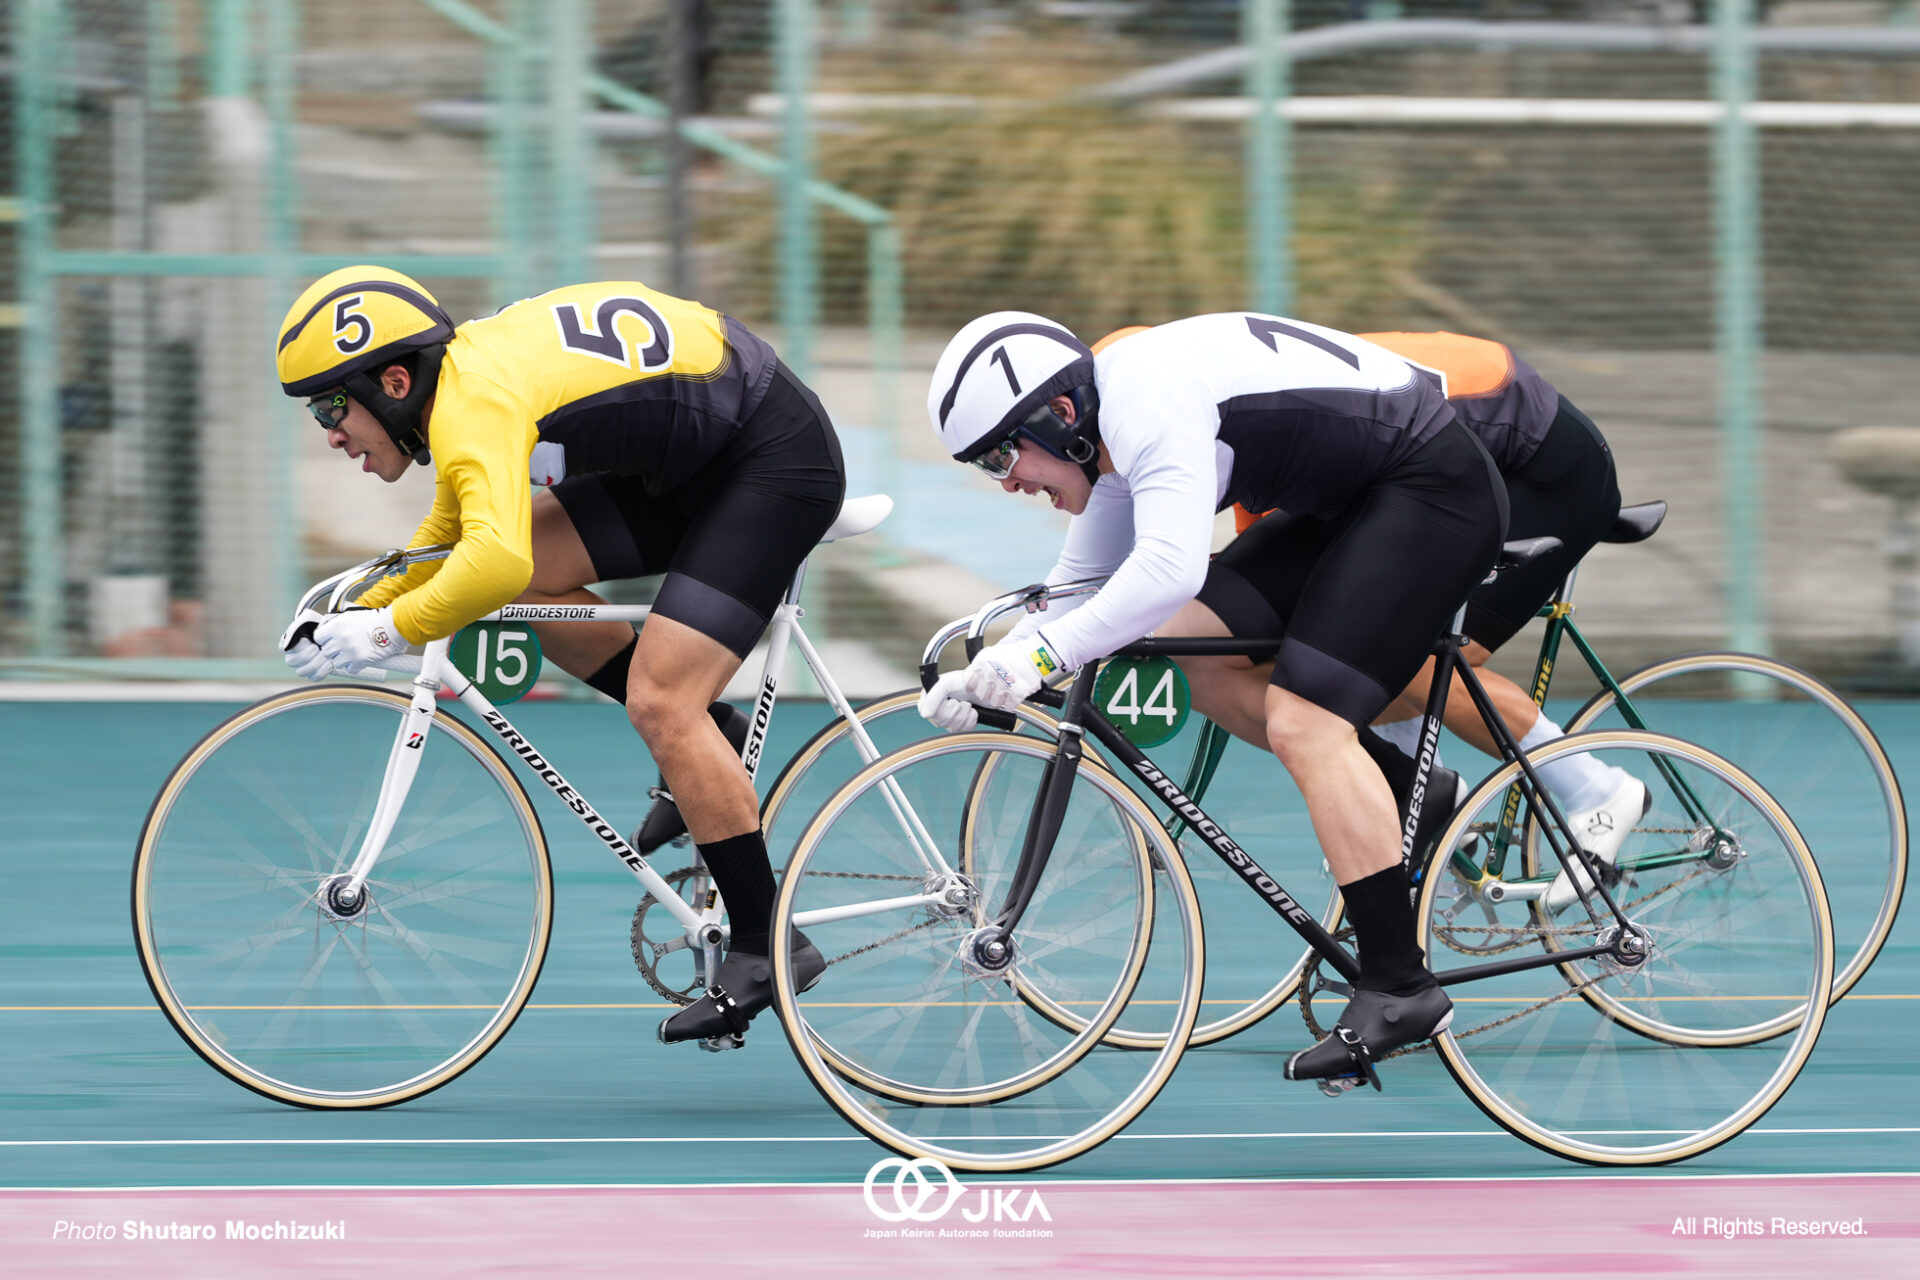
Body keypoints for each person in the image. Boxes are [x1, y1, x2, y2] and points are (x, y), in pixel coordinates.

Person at [917, 310, 1508, 1084]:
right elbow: (1078, 594)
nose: (1008, 480)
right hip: (1356, 503)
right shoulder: (1105, 433)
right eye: (983, 466)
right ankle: (1406, 794)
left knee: (1306, 722)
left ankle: (1399, 985)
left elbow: (1166, 569)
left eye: (1002, 452)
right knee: (1176, 646)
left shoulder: (1143, 403)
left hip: (1432, 491)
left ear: (1059, 416)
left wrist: (1037, 655)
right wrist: (989, 667)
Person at [273, 266, 843, 1044]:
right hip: (701, 458)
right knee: (532, 585)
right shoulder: (463, 386)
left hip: (769, 459)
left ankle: (764, 947)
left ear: (396, 381)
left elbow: (489, 561)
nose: (332, 433)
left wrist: (383, 632)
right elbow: (454, 539)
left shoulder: (472, 403)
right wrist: (353, 600)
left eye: (332, 408)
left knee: (657, 700)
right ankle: (713, 729)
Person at [1224, 329, 1645, 911]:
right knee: (1352, 635)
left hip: (1544, 470)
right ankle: (1431, 806)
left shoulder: (1258, 418)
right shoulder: (1245, 408)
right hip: (1460, 462)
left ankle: (1598, 789)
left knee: (1412, 656)